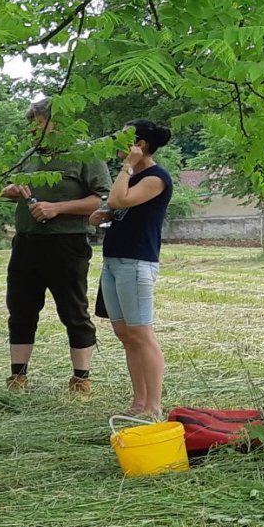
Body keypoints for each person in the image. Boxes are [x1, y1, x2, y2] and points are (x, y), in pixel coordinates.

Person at [2, 99, 112, 393]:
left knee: (73, 311)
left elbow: (104, 199)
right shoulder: (29, 155)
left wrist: (58, 208)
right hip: (26, 243)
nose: (33, 131)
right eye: (31, 125)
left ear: (59, 123)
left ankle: (81, 379)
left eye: (39, 124)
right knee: (21, 309)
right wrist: (10, 190)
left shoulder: (85, 155)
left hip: (66, 243)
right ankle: (17, 377)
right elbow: (6, 188)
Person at [100, 120, 176, 420]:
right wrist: (103, 216)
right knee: (125, 334)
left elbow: (118, 198)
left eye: (121, 139)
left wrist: (128, 165)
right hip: (113, 260)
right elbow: (117, 206)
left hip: (136, 261)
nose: (114, 145)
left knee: (142, 334)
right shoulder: (131, 175)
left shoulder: (156, 177)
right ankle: (138, 403)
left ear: (140, 144)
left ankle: (154, 407)